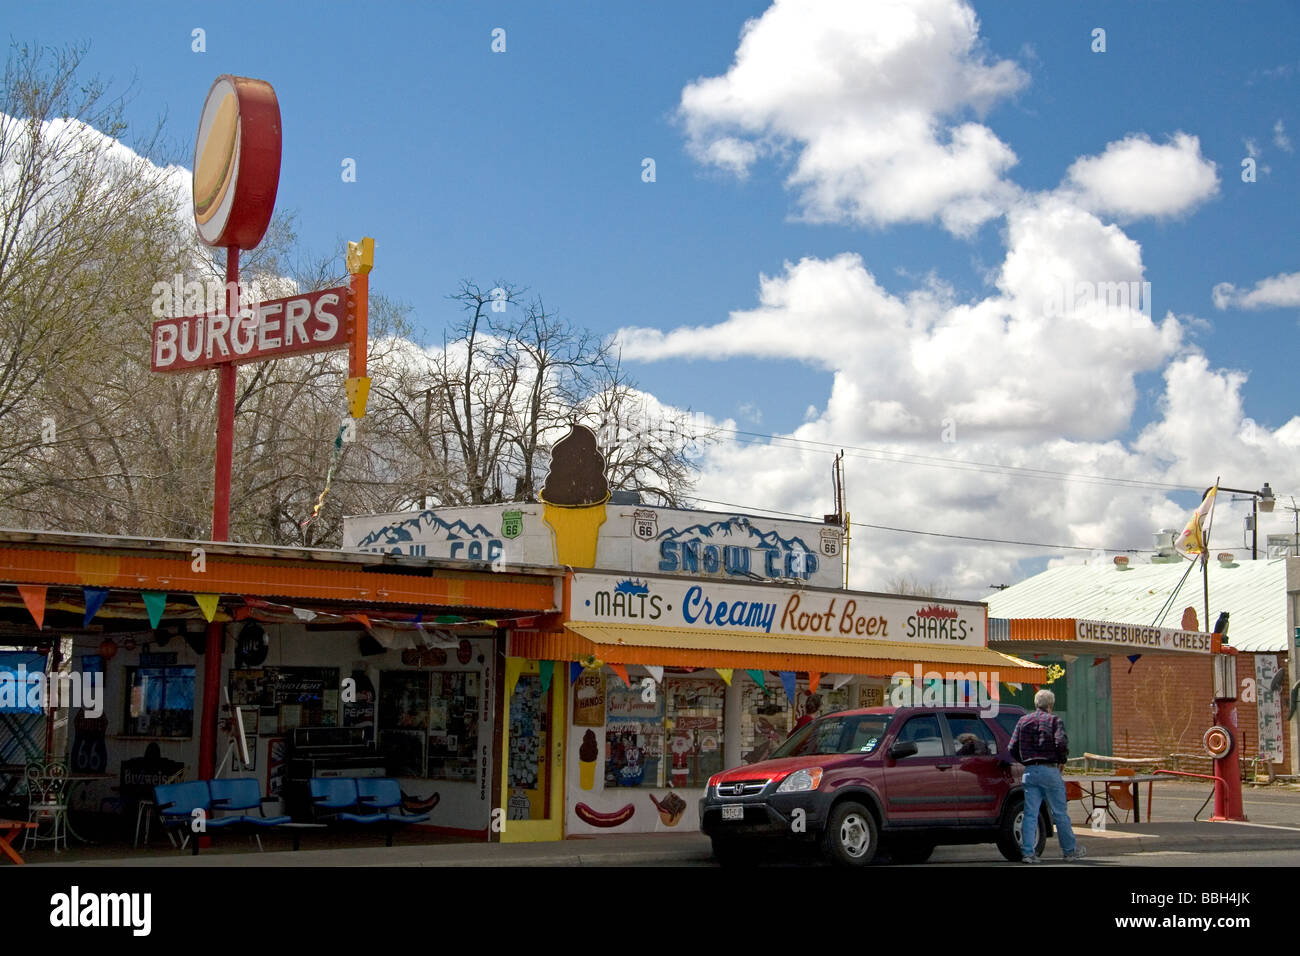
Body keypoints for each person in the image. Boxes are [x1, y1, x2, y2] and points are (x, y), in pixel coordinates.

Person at [1009, 689, 1085, 863]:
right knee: (1060, 813)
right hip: (1050, 770)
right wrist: (1061, 760)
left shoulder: (1023, 721)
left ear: (1036, 703)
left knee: (1030, 813)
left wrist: (1024, 760)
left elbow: (1012, 747)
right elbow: (1061, 743)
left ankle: (1028, 853)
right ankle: (1069, 851)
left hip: (1030, 771)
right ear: (1050, 705)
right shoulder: (1054, 721)